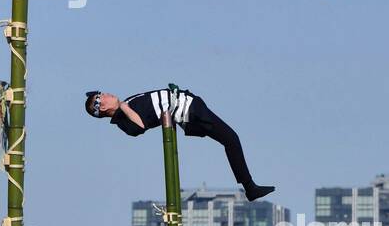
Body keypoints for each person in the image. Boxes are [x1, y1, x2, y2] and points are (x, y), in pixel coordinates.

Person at [84, 85, 274, 202]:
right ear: (102, 107)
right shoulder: (123, 119)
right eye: (102, 96)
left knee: (230, 139)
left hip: (189, 104)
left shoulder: (125, 105)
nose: (107, 94)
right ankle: (250, 187)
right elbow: (139, 126)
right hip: (189, 111)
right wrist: (122, 105)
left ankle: (250, 187)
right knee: (231, 138)